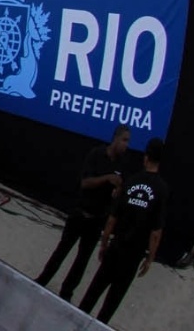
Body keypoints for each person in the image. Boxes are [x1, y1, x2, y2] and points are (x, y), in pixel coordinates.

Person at [78, 137, 169, 324]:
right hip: (133, 255)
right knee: (111, 302)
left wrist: (104, 243)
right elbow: (156, 232)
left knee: (94, 290)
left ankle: (77, 323)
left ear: (146, 157)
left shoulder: (131, 181)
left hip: (116, 247)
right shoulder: (161, 189)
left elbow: (112, 219)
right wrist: (150, 258)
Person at [35, 124, 130, 301]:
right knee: (62, 249)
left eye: (128, 141)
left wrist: (117, 192)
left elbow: (117, 194)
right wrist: (107, 178)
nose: (126, 145)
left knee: (82, 260)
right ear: (115, 138)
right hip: (80, 213)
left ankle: (66, 292)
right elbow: (85, 183)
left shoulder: (121, 165)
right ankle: (42, 280)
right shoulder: (96, 154)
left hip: (97, 219)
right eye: (124, 140)